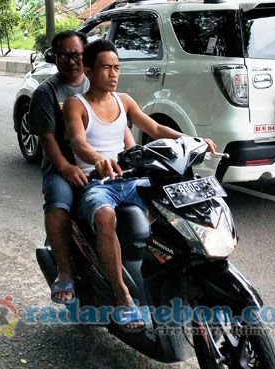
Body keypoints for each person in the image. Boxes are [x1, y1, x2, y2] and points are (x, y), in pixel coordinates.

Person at [63, 39, 217, 328]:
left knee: (172, 201)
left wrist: (190, 140)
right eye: (106, 67)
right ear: (88, 70)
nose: (113, 74)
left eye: (116, 68)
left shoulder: (124, 101)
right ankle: (122, 294)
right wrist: (97, 159)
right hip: (97, 183)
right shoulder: (76, 104)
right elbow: (78, 141)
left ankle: (168, 272)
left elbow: (155, 128)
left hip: (129, 179)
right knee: (105, 217)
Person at [28, 31, 136, 305]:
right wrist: (65, 168)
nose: (71, 61)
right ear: (54, 58)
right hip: (62, 163)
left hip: (103, 163)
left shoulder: (102, 86)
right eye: (63, 55)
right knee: (59, 202)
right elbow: (48, 139)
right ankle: (65, 271)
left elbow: (123, 128)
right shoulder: (46, 92)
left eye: (76, 54)